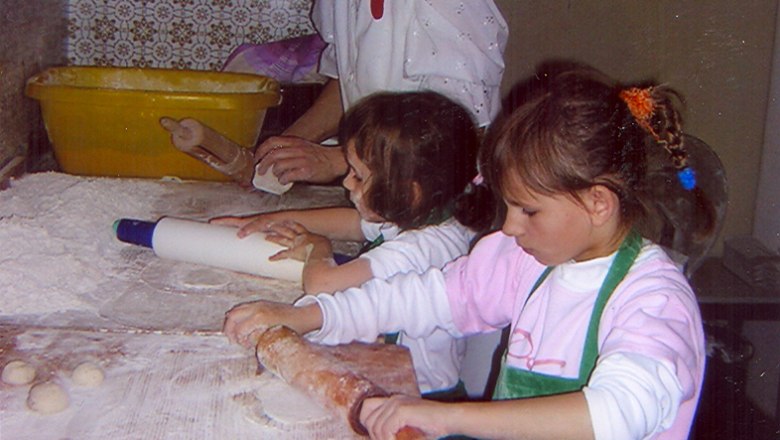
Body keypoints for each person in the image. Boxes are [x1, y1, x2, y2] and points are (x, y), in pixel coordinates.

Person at [223, 65, 714, 439]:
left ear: (598, 203)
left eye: (527, 211)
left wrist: (448, 416)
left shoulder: (652, 298)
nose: (506, 225)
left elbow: (619, 410)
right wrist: (308, 316)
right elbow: (420, 297)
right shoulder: (525, 261)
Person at [216, 90, 492, 398]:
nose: (347, 183)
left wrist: (318, 248)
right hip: (403, 377)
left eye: (358, 176)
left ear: (408, 192)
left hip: (420, 396)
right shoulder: (435, 214)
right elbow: (353, 224)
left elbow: (322, 283)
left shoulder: (418, 249)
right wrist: (275, 218)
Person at [253, 0, 508, 186]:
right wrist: (284, 149)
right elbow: (350, 84)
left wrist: (339, 160)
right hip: (377, 187)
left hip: (440, 200)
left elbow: (460, 131)